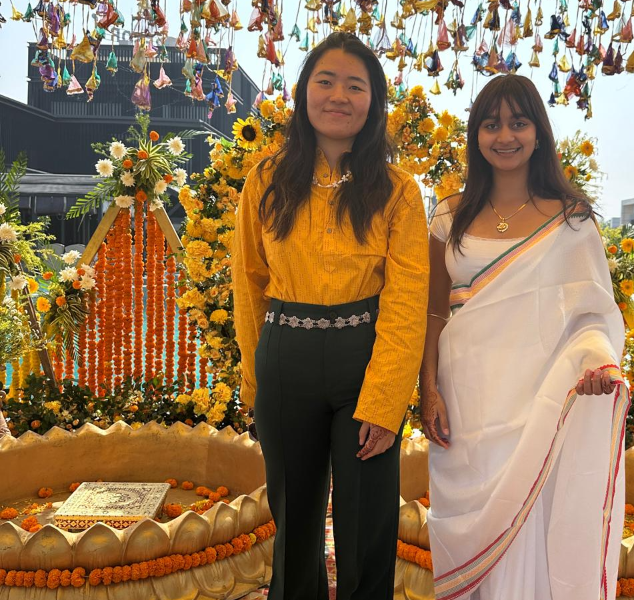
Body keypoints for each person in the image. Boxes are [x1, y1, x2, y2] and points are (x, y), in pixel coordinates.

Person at [232, 32, 429, 600]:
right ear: (304, 93)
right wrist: (255, 376)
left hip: (364, 360)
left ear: (373, 101)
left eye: (355, 86)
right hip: (285, 355)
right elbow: (248, 282)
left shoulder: (398, 191)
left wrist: (386, 400)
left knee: (367, 523)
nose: (339, 95)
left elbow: (407, 297)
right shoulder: (265, 179)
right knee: (293, 523)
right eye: (325, 81)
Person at [420, 74, 629, 600]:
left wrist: (595, 360)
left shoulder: (571, 220)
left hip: (536, 398)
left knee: (531, 512)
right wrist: (428, 387)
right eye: (491, 125)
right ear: (476, 135)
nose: (505, 136)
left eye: (518, 123)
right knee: (468, 518)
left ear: (538, 133)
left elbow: (591, 312)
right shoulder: (449, 214)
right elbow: (434, 310)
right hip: (465, 396)